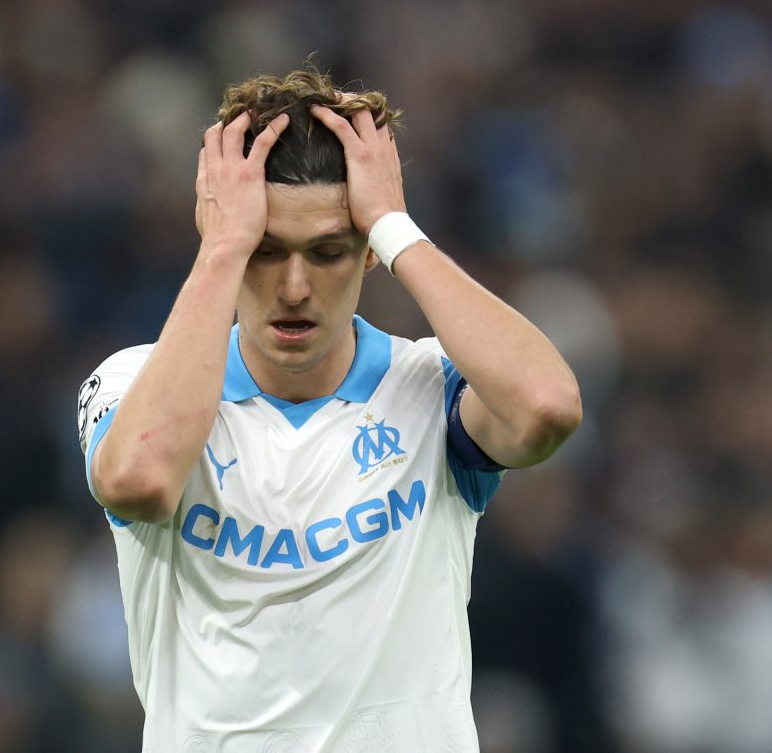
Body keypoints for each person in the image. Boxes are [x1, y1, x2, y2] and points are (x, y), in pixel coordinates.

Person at [77, 67, 582, 752]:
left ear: (367, 255)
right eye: (265, 250)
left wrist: (394, 226)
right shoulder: (133, 381)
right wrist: (222, 248)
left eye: (327, 252)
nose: (294, 287)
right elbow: (140, 481)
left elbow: (547, 408)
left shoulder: (430, 386)